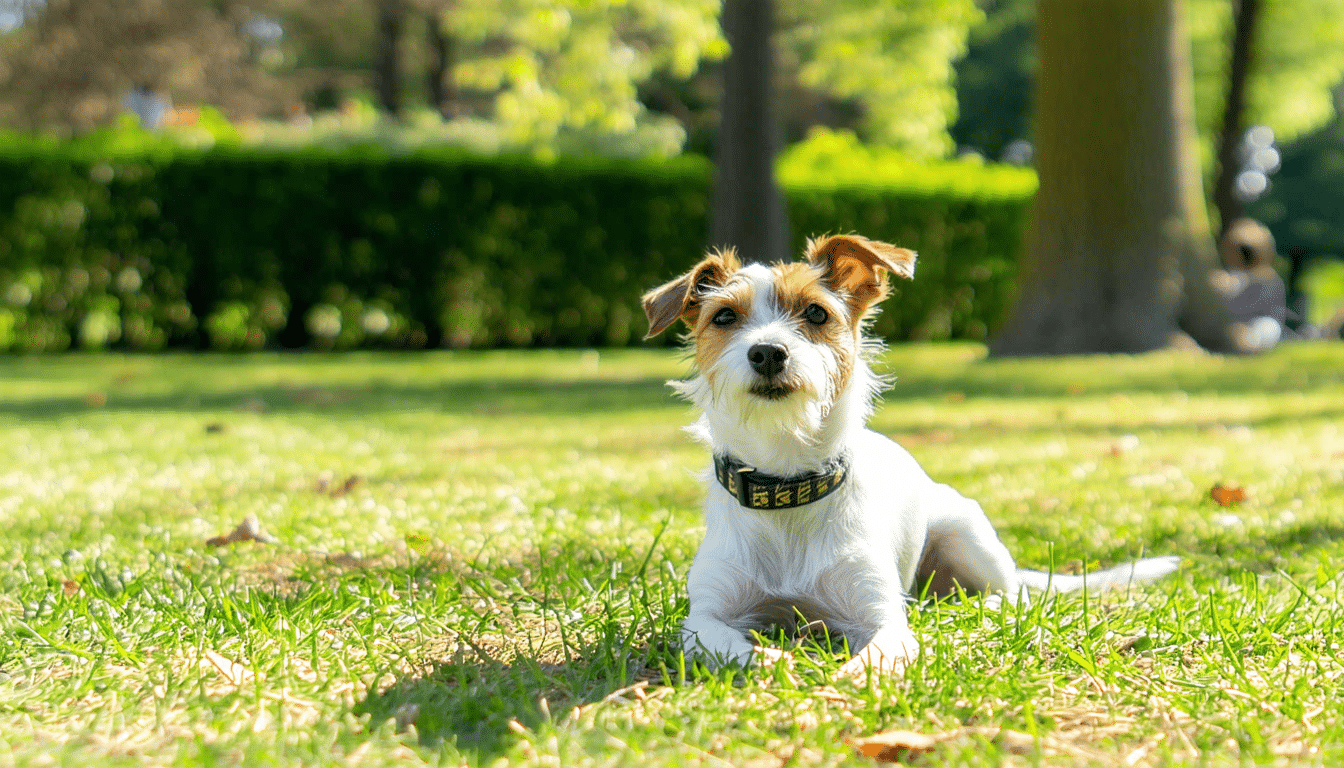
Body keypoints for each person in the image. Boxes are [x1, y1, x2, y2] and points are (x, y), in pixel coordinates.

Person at [1213, 218, 1291, 348]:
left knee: (1269, 327)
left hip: (1257, 324)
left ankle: (1247, 344)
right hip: (1230, 323)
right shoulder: (1227, 275)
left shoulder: (1269, 277)